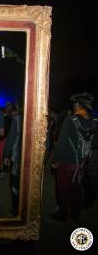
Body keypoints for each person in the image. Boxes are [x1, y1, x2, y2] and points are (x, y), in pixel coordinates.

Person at [51, 92, 96, 222]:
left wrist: (55, 160)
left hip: (66, 161)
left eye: (73, 104)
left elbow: (62, 142)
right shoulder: (93, 121)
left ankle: (63, 213)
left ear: (77, 104)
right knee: (76, 188)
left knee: (62, 188)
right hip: (82, 162)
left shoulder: (71, 120)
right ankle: (75, 213)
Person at [3, 102, 22, 216]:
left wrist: (6, 154)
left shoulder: (17, 119)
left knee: (15, 182)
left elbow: (10, 139)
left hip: (18, 156)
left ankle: (16, 210)